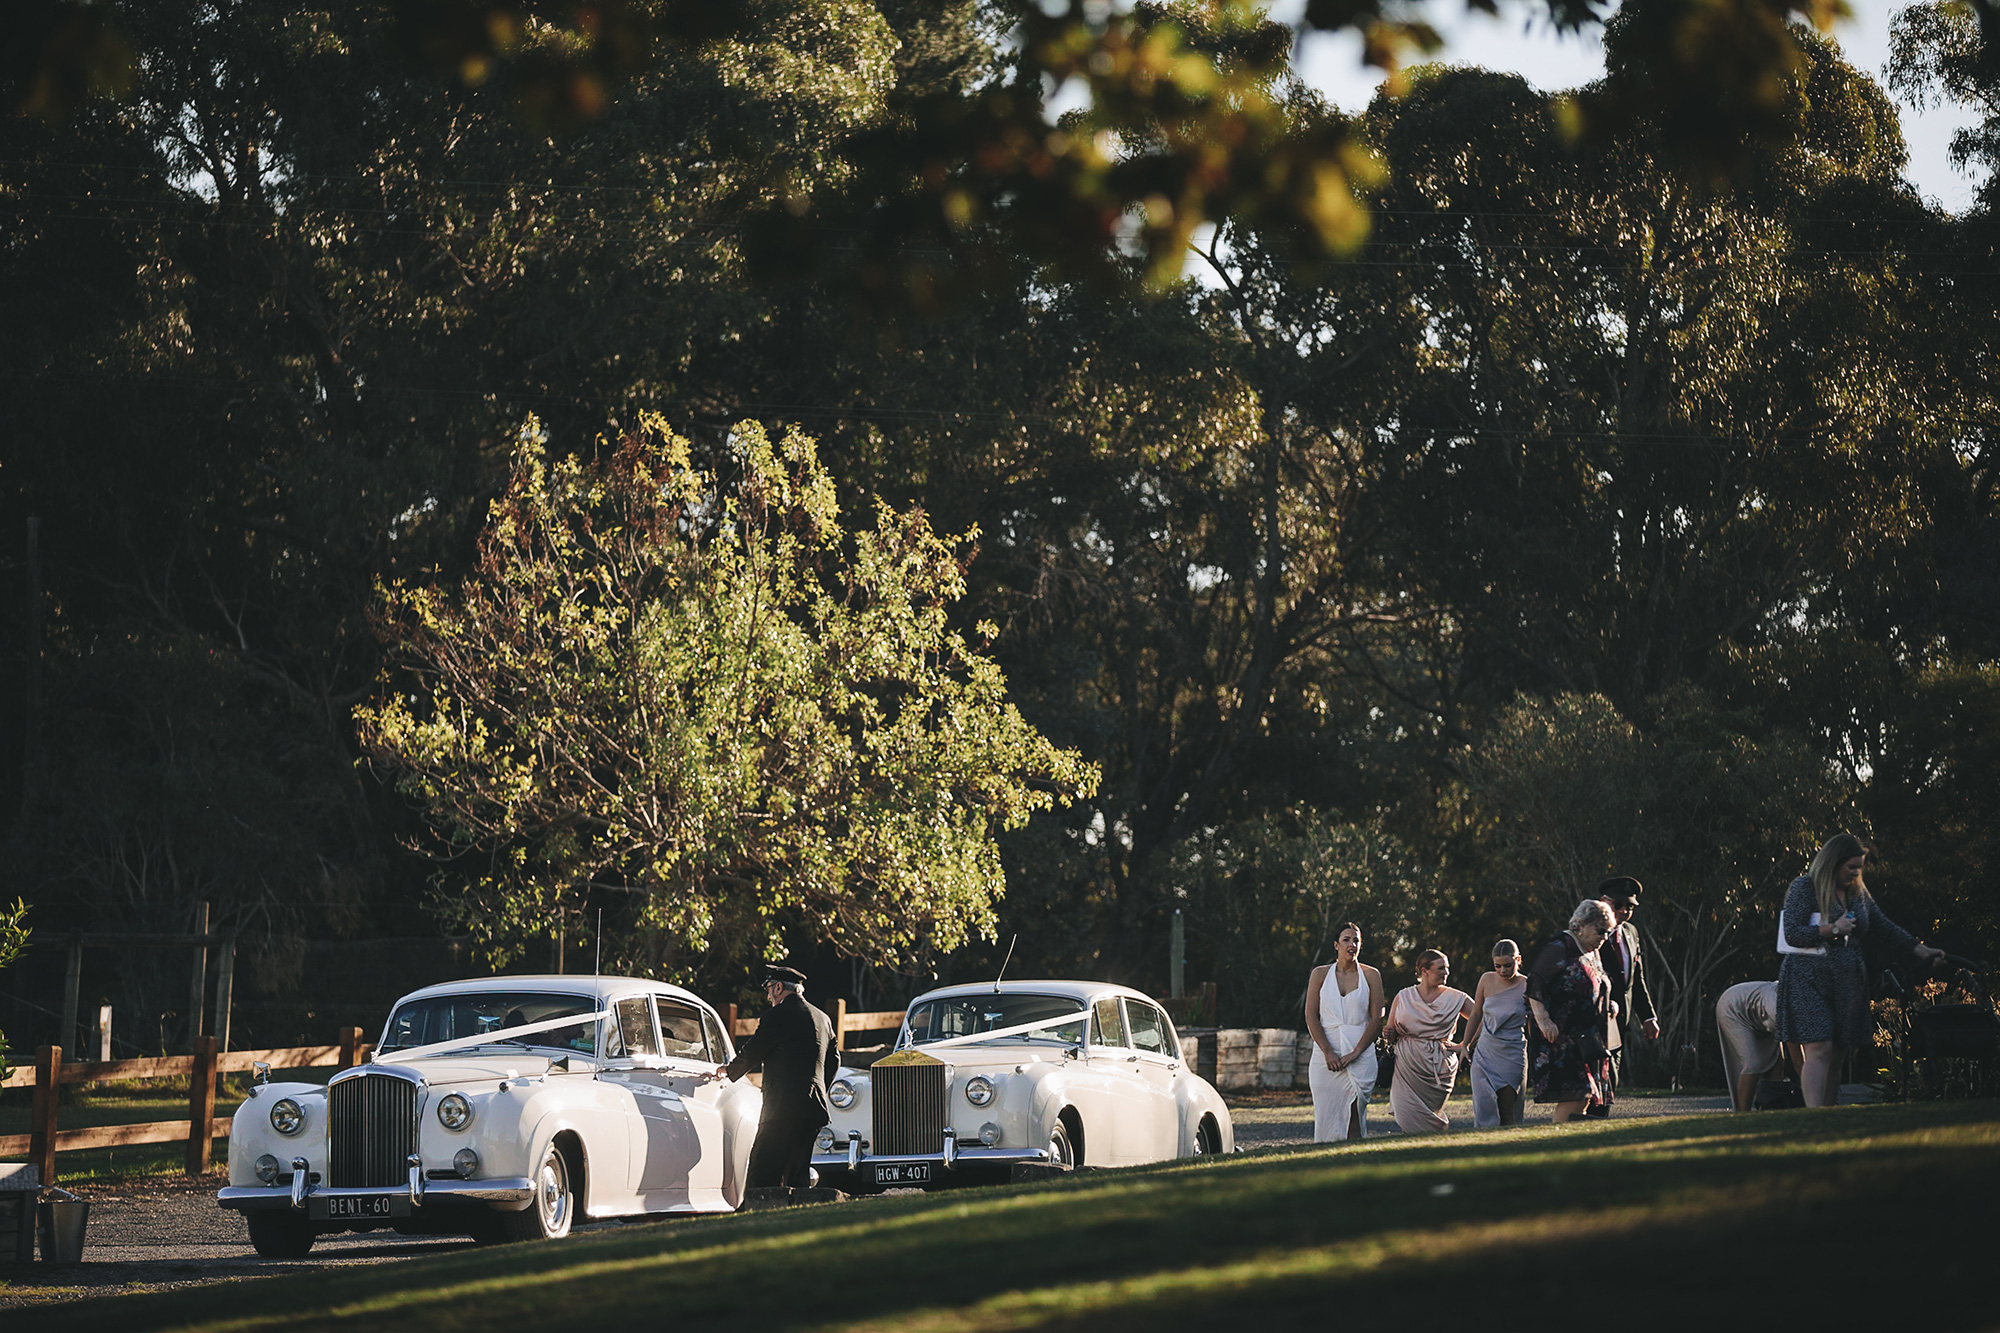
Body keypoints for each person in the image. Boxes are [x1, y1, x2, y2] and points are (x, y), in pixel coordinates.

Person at [1776, 833, 1944, 1108]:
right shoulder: (1805, 887)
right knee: (1819, 1046)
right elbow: (1792, 933)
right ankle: (1814, 1115)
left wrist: (1922, 950)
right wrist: (1832, 929)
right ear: (1833, 862)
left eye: (1859, 868)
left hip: (1848, 982)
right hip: (1808, 979)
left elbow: (1884, 927)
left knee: (1838, 1052)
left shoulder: (1858, 894)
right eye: (1850, 867)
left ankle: (1829, 1114)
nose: (1855, 873)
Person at [714, 965, 840, 1190]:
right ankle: (795, 1216)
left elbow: (754, 1050)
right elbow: (834, 1061)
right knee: (798, 1172)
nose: (769, 995)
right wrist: (818, 1087)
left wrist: (729, 1071)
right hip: (814, 1108)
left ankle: (757, 1216)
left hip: (782, 1108)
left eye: (769, 989)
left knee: (763, 1169)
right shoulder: (823, 1018)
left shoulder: (777, 1015)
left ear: (779, 987)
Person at [1526, 899, 1616, 1123]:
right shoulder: (1560, 947)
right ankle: (1559, 1141)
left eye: (1609, 933)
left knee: (1587, 1094)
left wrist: (1608, 1003)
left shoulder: (1592, 951)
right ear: (1582, 924)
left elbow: (1598, 983)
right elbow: (1534, 983)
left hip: (1587, 1038)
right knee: (1578, 1092)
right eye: (1601, 931)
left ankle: (1572, 1141)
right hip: (1561, 1036)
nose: (1604, 937)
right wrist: (1544, 1020)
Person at [1304, 922, 1386, 1142]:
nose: (1352, 944)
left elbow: (1377, 1019)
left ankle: (1356, 1162)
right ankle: (1327, 1160)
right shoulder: (1320, 974)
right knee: (1327, 1112)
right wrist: (1328, 1052)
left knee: (1355, 1112)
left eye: (1356, 940)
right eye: (1346, 940)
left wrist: (1356, 1052)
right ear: (1336, 945)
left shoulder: (1371, 975)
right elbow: (1311, 1017)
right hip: (1326, 1052)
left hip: (1360, 1050)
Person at [1382, 950, 1475, 1134]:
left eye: (1447, 968)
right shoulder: (1403, 996)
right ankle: (1411, 1151)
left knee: (1428, 1118)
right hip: (1406, 1066)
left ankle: (1429, 1146)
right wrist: (1389, 1033)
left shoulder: (1457, 997)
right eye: (1441, 968)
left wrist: (1464, 1044)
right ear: (1424, 971)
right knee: (1406, 1113)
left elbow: (1481, 1017)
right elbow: (1391, 1032)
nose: (1446, 973)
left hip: (1438, 1066)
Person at [1593, 876, 1658, 1114]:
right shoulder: (1587, 931)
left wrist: (1648, 1016)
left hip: (1619, 1023)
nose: (1623, 911)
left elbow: (1635, 980)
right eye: (1617, 905)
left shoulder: (1631, 933)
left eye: (1629, 907)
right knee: (1592, 1082)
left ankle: (1595, 1131)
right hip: (1590, 1020)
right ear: (1602, 901)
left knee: (1610, 1081)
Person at [1461, 939, 1530, 1128]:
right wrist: (1465, 1045)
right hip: (1486, 1049)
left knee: (1508, 1110)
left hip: (1512, 1049)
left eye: (1508, 965)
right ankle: (1483, 1147)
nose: (1502, 971)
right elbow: (1476, 1014)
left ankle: (1508, 1149)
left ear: (1518, 960)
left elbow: (1534, 1020)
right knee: (1483, 1103)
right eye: (1497, 966)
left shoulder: (1527, 985)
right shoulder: (1486, 979)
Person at [1715, 980, 1802, 1112]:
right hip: (1733, 1008)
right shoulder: (1781, 1012)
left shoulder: (1797, 1003)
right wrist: (1815, 1096)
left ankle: (1770, 1107)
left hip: (1760, 1014)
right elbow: (1799, 1062)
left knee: (1776, 1062)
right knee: (1753, 1064)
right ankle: (1743, 1114)